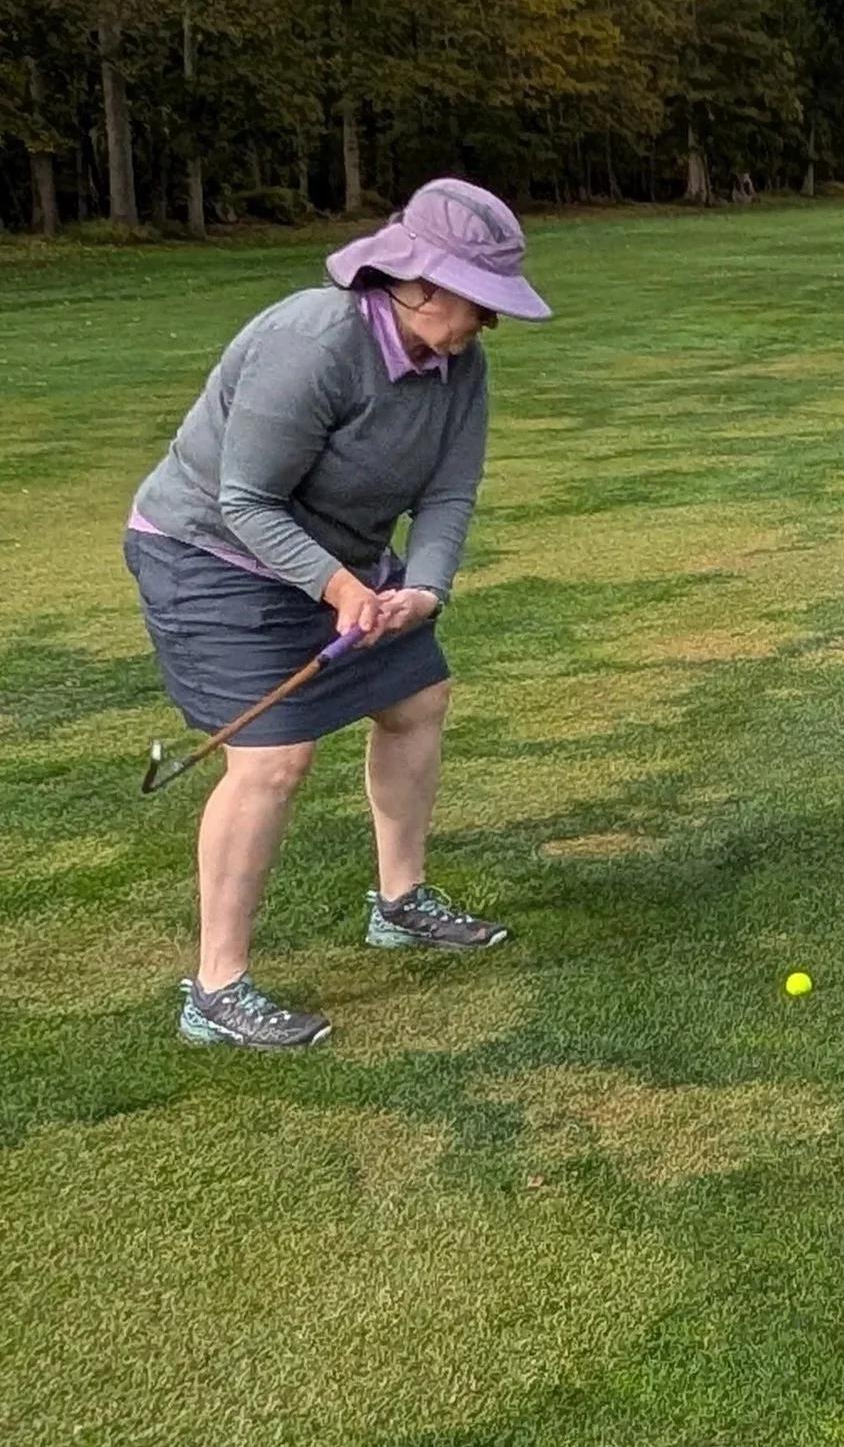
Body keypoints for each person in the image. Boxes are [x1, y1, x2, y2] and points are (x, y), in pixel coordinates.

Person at [124, 178, 551, 1050]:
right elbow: (246, 501)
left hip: (340, 558)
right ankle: (216, 988)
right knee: (273, 759)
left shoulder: (459, 365)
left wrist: (424, 587)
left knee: (416, 700)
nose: (486, 324)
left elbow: (449, 492)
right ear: (417, 283)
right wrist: (343, 589)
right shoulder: (311, 343)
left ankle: (400, 904)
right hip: (209, 553)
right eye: (478, 301)